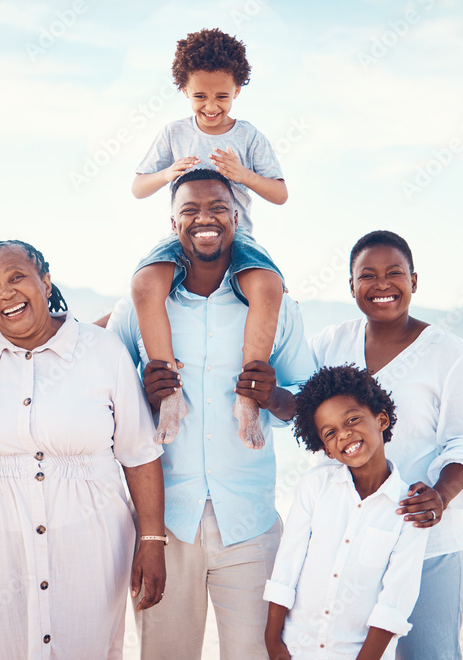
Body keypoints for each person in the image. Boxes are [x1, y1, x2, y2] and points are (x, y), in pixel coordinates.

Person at [109, 167, 315, 660]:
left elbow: (314, 400)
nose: (206, 218)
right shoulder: (140, 308)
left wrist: (275, 398)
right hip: (163, 523)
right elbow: (104, 393)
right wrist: (142, 393)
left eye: (219, 207)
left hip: (249, 521)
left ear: (237, 217)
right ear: (172, 222)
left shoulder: (276, 308)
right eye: (191, 209)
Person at [0, 240, 167, 660]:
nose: (6, 292)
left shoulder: (100, 350)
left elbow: (139, 450)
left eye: (17, 277)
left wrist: (152, 540)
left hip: (88, 541)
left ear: (45, 281)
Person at [309, 230, 463, 660]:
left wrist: (442, 495)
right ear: (351, 286)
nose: (382, 285)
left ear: (414, 281)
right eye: (367, 275)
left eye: (394, 273)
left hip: (425, 541)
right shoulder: (331, 343)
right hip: (352, 548)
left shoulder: (448, 352)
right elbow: (304, 412)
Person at [130, 27, 288, 450]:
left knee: (268, 284)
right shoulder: (173, 134)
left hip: (237, 238)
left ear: (238, 89)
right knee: (145, 282)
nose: (212, 106)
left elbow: (280, 193)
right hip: (181, 237)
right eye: (201, 97)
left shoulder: (249, 136)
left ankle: (247, 396)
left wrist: (243, 176)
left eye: (223, 96)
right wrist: (169, 173)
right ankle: (171, 394)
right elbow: (138, 186)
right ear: (184, 89)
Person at [265, 365, 427, 660]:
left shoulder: (409, 508)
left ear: (381, 419)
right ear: (325, 448)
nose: (345, 435)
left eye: (353, 419)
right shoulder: (314, 487)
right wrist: (272, 637)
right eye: (331, 432)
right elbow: (287, 565)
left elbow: (395, 600)